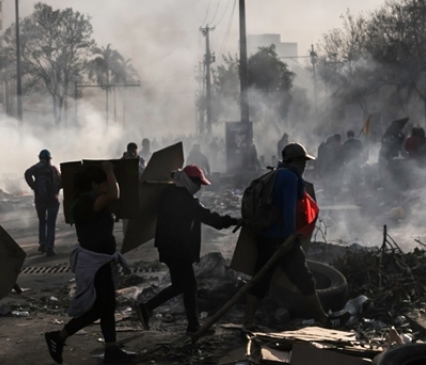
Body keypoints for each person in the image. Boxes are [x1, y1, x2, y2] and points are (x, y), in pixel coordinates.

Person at [44, 162, 136, 364]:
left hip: (101, 261)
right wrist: (111, 171)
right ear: (95, 185)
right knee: (98, 308)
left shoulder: (89, 199)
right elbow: (114, 195)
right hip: (94, 262)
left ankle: (111, 349)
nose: (106, 187)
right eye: (104, 184)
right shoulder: (86, 201)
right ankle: (58, 337)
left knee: (108, 306)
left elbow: (113, 197)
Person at [136, 165, 240, 335]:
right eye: (197, 182)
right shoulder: (185, 201)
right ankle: (192, 326)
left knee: (181, 286)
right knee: (189, 286)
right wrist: (236, 221)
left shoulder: (168, 194)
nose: (199, 186)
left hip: (168, 246)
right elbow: (212, 219)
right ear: (186, 180)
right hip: (177, 248)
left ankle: (148, 308)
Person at [242, 143, 330, 330]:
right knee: (304, 279)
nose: (305, 165)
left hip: (265, 236)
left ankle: (248, 322)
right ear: (296, 161)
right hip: (281, 238)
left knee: (260, 279)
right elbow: (289, 210)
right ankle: (322, 318)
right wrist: (289, 239)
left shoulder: (275, 174)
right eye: (303, 161)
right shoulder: (290, 178)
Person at [25, 150, 62, 256]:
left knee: (42, 221)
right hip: (53, 200)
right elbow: (59, 182)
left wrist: (34, 186)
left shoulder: (37, 170)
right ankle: (50, 247)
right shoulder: (53, 169)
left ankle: (42, 244)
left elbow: (27, 173)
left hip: (40, 199)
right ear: (50, 158)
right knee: (51, 223)